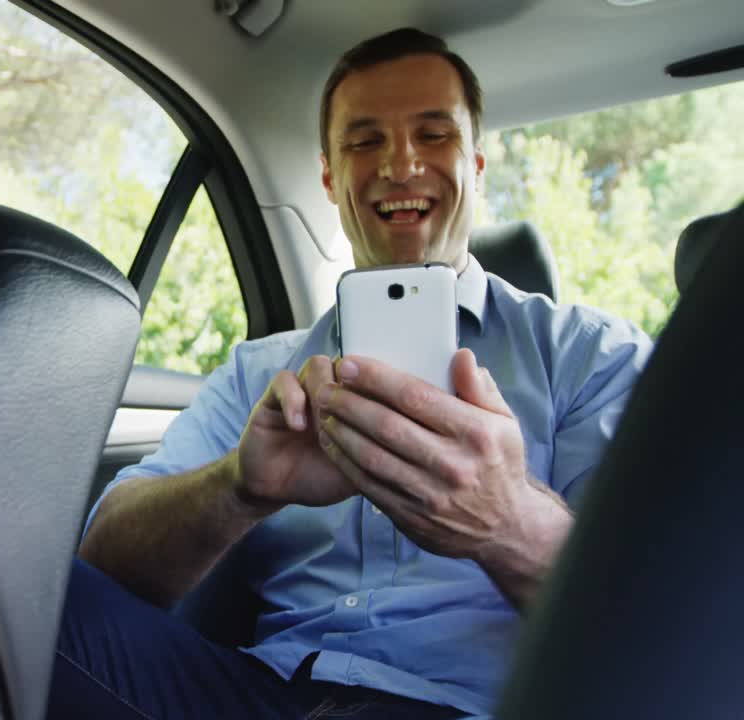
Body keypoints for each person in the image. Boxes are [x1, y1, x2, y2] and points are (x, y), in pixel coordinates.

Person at [45, 27, 652, 720]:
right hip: (256, 691)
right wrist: (240, 487)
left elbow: (654, 618)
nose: (399, 163)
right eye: (365, 141)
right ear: (331, 178)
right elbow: (104, 559)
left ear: (477, 164)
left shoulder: (589, 356)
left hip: (468, 707)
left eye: (433, 134)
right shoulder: (260, 373)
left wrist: (506, 517)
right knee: (14, 592)